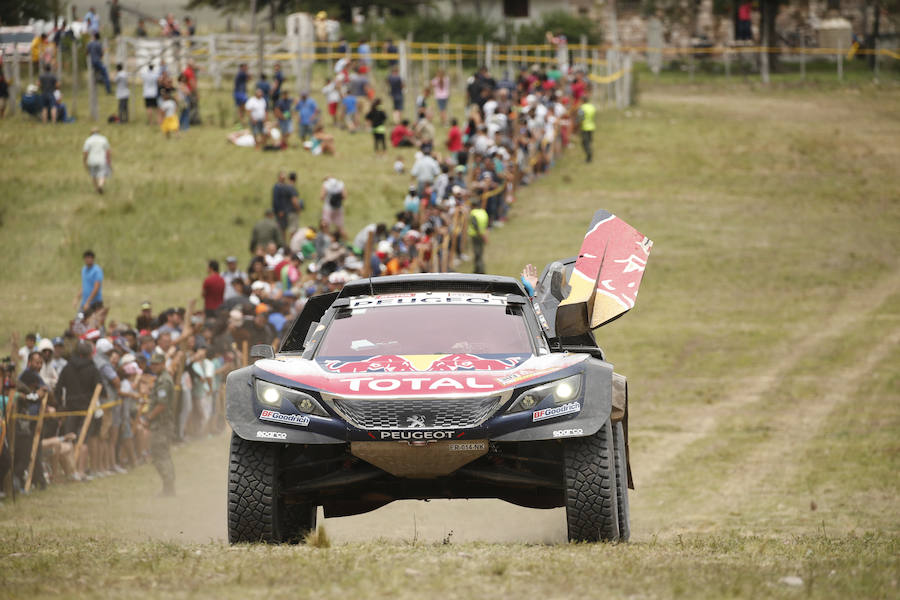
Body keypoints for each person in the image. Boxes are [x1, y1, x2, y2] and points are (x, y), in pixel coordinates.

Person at [144, 351, 175, 496]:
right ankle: (168, 487)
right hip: (162, 424)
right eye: (152, 364)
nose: (154, 366)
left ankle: (168, 488)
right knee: (162, 455)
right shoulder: (161, 378)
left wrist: (148, 418)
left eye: (157, 364)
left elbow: (161, 404)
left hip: (161, 424)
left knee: (160, 455)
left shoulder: (163, 380)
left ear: (163, 364)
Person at [82, 128, 111, 194]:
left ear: (91, 133)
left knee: (93, 175)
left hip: (92, 160)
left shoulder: (88, 140)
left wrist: (84, 161)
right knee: (102, 175)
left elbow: (85, 152)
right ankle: (100, 185)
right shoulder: (103, 139)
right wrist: (109, 160)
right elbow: (108, 151)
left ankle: (97, 188)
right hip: (102, 160)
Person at [76, 249, 104, 315]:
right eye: (86, 258)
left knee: (95, 323)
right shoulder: (84, 270)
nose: (88, 259)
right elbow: (84, 286)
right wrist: (77, 298)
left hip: (95, 304)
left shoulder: (97, 271)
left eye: (90, 258)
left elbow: (96, 288)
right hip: (84, 303)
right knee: (78, 320)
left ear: (93, 259)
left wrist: (88, 302)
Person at [468, 197, 489, 274]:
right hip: (482, 235)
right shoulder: (483, 212)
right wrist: (485, 236)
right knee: (480, 252)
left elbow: (475, 226)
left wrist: (482, 236)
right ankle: (478, 269)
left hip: (476, 236)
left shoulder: (473, 213)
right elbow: (486, 225)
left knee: (477, 253)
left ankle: (480, 270)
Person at [577, 91, 596, 163]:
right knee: (589, 142)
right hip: (592, 126)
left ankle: (589, 156)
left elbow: (580, 118)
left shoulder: (582, 108)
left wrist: (579, 127)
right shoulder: (592, 107)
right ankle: (590, 155)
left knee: (585, 143)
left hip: (584, 127)